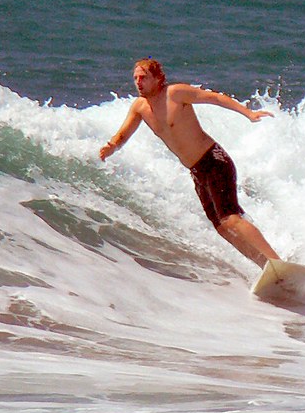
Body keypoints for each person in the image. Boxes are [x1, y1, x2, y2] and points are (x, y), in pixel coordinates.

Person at [99, 58, 281, 268]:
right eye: (136, 78)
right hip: (197, 171)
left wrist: (248, 113)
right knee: (222, 227)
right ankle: (267, 267)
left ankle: (277, 262)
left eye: (144, 77)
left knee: (230, 218)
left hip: (214, 160)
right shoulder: (139, 108)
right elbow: (123, 134)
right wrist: (111, 147)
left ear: (157, 78)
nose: (138, 82)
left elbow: (214, 98)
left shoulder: (175, 93)